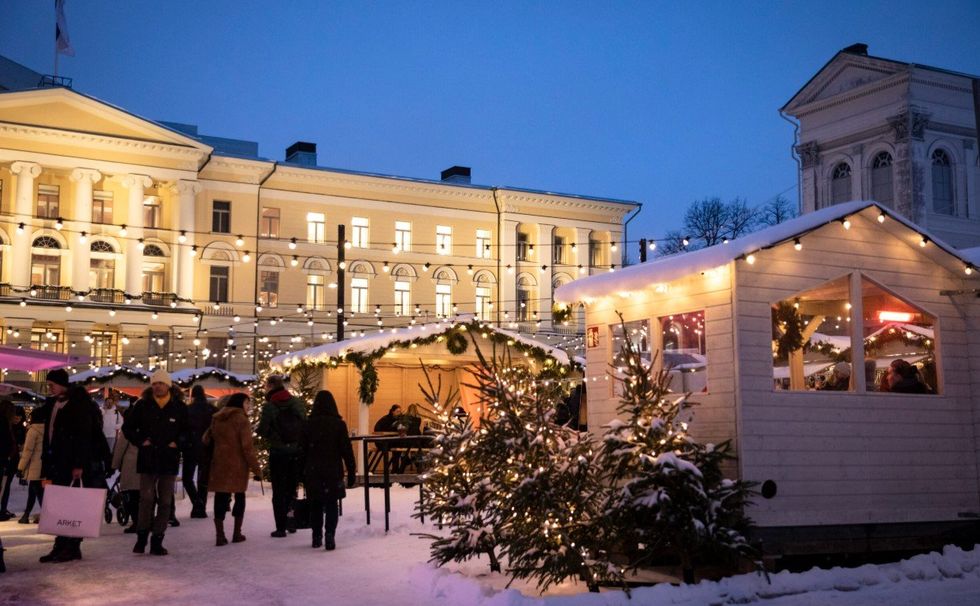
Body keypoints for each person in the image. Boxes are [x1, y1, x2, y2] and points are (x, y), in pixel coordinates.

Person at [121, 369, 189, 556]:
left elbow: (188, 431)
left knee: (166, 501)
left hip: (169, 458)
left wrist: (178, 442)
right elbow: (128, 428)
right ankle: (142, 538)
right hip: (149, 458)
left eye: (160, 383)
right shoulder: (143, 405)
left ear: (168, 385)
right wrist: (141, 440)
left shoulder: (179, 407)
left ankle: (158, 538)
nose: (157, 386)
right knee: (147, 499)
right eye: (154, 383)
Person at [39, 368, 96, 563]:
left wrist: (78, 463)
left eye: (51, 384)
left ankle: (72, 545)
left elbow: (83, 435)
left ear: (62, 384)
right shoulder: (55, 403)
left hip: (70, 461)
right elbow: (50, 434)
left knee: (71, 504)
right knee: (59, 505)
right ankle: (60, 544)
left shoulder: (77, 404)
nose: (50, 388)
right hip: (56, 460)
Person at [205, 392, 261, 546]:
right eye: (247, 403)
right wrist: (257, 469)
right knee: (239, 496)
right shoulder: (241, 420)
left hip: (220, 463)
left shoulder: (217, 418)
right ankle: (237, 533)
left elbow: (208, 439)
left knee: (220, 497)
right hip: (237, 464)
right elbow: (247, 448)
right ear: (241, 403)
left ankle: (220, 535)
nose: (248, 407)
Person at [303, 390, 355, 550]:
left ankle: (316, 535)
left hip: (313, 470)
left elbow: (302, 450)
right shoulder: (338, 424)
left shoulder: (308, 424)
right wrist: (351, 471)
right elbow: (346, 449)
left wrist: (301, 472)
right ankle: (330, 534)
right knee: (332, 503)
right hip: (332, 469)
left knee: (315, 504)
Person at [257, 375, 307, 538]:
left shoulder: (270, 406)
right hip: (295, 452)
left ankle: (280, 527)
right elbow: (304, 423)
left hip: (278, 453)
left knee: (278, 490)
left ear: (271, 386)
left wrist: (274, 436)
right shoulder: (297, 402)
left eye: (266, 385)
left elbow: (263, 430)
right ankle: (292, 521)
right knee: (292, 488)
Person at [183, 385, 215, 519]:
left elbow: (183, 428)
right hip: (206, 448)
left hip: (190, 447)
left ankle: (197, 503)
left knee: (187, 478)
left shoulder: (188, 410)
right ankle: (201, 506)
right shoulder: (212, 410)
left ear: (193, 396)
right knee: (203, 479)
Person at [110, 406, 141, 533]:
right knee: (144, 496)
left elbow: (120, 449)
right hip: (146, 466)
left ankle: (137, 522)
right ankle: (146, 520)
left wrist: (114, 465)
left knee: (133, 495)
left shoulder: (128, 429)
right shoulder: (148, 426)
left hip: (131, 466)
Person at [17, 405, 48, 524]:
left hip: (35, 466)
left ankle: (45, 515)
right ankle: (26, 515)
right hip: (44, 466)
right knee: (35, 490)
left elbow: (27, 451)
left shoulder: (33, 431)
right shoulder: (48, 430)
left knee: (37, 491)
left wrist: (20, 467)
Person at [0, 400, 17, 521]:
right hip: (4, 461)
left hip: (5, 460)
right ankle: (2, 509)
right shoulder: (4, 423)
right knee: (4, 487)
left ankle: (3, 509)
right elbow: (7, 444)